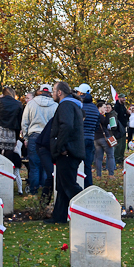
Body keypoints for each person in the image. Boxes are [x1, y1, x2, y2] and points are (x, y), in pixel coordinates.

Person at [47, 82, 84, 224]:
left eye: (54, 91)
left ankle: (92, 208)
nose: (52, 93)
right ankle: (59, 217)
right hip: (71, 150)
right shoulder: (73, 105)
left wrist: (60, 146)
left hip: (68, 152)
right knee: (62, 187)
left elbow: (67, 126)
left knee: (69, 185)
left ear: (60, 92)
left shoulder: (66, 105)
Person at [21, 84, 57, 194]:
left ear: (39, 91)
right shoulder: (55, 105)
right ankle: (46, 190)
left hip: (34, 135)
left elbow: (25, 122)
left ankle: (33, 191)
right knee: (47, 164)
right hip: (48, 137)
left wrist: (26, 137)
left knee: (34, 165)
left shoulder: (31, 104)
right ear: (50, 93)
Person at [0, 87, 23, 154]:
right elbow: (19, 121)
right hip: (11, 131)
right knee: (8, 156)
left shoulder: (0, 101)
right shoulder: (18, 104)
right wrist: (17, 137)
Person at [77, 86, 99, 186]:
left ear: (81, 93)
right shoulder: (95, 108)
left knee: (77, 164)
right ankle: (88, 185)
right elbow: (97, 125)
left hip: (80, 138)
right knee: (88, 165)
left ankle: (78, 184)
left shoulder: (80, 106)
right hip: (90, 138)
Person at [93, 101, 115, 177]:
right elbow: (106, 122)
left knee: (99, 158)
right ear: (99, 108)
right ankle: (111, 174)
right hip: (104, 138)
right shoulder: (101, 116)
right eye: (104, 107)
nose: (106, 109)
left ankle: (98, 175)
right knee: (110, 156)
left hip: (96, 138)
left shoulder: (94, 115)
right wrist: (108, 114)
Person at [113, 93, 129, 167]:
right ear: (119, 98)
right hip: (119, 127)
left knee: (123, 144)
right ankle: (117, 158)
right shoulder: (116, 107)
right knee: (119, 143)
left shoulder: (123, 106)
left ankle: (121, 156)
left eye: (124, 98)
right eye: (123, 98)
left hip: (123, 126)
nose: (124, 99)